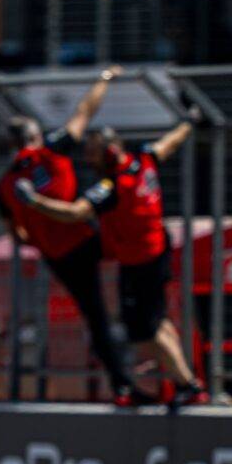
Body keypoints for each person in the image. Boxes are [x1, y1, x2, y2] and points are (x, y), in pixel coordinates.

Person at [15, 119, 207, 408]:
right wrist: (190, 121)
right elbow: (170, 142)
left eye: (93, 153)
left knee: (147, 331)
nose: (89, 159)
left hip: (138, 261)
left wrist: (34, 201)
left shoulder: (113, 185)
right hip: (156, 251)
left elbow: (74, 213)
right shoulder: (144, 159)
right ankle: (185, 380)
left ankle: (189, 385)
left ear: (111, 150)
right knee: (158, 321)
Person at [0, 65, 151, 407]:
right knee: (120, 289)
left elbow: (16, 235)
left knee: (94, 315)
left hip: (60, 257)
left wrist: (40, 236)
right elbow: (85, 111)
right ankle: (129, 370)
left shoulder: (5, 185)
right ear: (34, 137)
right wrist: (104, 79)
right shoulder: (51, 150)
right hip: (88, 239)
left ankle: (121, 383)